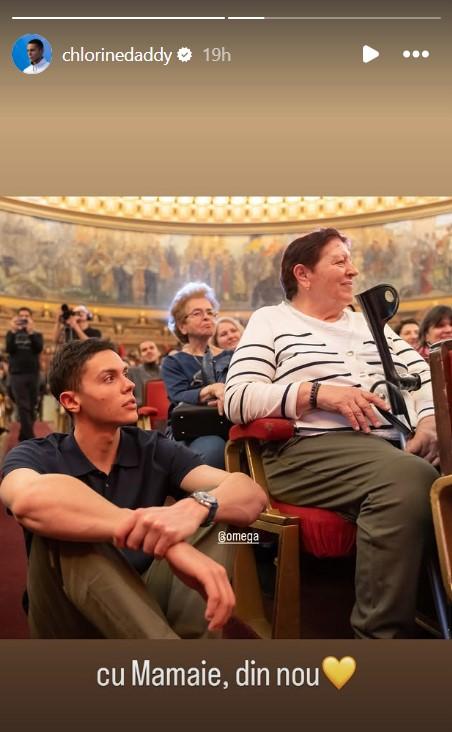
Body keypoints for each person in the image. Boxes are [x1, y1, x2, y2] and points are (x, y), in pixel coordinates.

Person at [225, 228, 439, 639]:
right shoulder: (272, 320)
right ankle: (379, 639)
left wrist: (429, 422)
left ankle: (433, 610)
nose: (353, 270)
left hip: (391, 445)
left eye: (350, 261)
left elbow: (424, 376)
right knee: (407, 478)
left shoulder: (368, 323)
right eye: (339, 261)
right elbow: (237, 398)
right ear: (303, 274)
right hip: (306, 450)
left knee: (411, 470)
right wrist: (317, 393)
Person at [0, 339, 266, 639]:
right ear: (71, 401)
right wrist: (163, 541)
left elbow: (250, 493)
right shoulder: (36, 453)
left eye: (125, 374)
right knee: (63, 522)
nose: (129, 385)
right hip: (70, 615)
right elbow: (27, 500)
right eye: (109, 378)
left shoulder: (152, 448)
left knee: (215, 510)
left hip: (146, 604)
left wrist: (197, 507)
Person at [161, 283, 234, 469]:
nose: (206, 317)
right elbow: (178, 395)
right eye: (197, 313)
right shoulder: (173, 362)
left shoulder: (231, 356)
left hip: (232, 423)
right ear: (182, 326)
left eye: (210, 312)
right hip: (192, 430)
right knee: (213, 448)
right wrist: (211, 389)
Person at [5, 307, 43, 441]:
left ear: (31, 318)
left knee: (31, 406)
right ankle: (30, 438)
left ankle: (24, 434)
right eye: (21, 316)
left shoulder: (37, 334)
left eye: (27, 316)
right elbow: (9, 349)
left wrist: (31, 332)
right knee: (23, 405)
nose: (24, 318)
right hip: (17, 374)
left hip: (33, 373)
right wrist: (13, 330)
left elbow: (38, 348)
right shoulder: (11, 333)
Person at [128, 340, 161, 407]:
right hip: (141, 411)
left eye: (151, 348)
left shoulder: (166, 372)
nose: (149, 351)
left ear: (158, 353)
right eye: (144, 350)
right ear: (140, 356)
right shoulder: (132, 372)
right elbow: (129, 398)